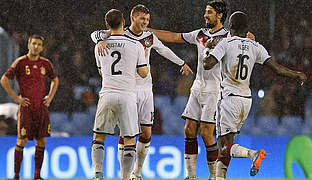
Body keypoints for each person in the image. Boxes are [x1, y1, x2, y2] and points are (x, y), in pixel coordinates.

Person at [148, 0, 251, 179]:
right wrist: (149, 31)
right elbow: (174, 37)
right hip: (197, 88)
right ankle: (191, 175)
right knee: (188, 129)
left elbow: (246, 44)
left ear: (220, 15)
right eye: (206, 11)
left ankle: (213, 176)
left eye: (209, 12)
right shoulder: (199, 34)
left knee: (205, 132)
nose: (205, 15)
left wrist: (248, 37)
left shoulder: (229, 38)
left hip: (215, 91)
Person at [91, 4, 193, 180]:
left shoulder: (149, 37)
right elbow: (96, 34)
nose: (145, 22)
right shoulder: (122, 35)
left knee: (146, 133)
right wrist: (99, 40)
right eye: (142, 19)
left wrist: (180, 62)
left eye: (147, 19)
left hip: (145, 90)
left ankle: (136, 173)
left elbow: (164, 50)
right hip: (129, 89)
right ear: (132, 19)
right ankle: (124, 174)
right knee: (127, 134)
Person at [203, 11, 307, 179]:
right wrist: (297, 74)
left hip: (229, 98)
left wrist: (207, 48)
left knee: (223, 147)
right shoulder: (256, 46)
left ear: (230, 26)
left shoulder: (226, 43)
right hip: (246, 101)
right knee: (228, 146)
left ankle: (253, 154)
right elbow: (277, 69)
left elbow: (207, 65)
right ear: (246, 28)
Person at [91, 9, 149, 180]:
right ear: (124, 22)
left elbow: (101, 72)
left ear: (107, 25)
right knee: (130, 138)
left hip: (107, 94)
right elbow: (144, 73)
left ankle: (98, 174)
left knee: (98, 136)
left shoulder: (99, 46)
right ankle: (125, 177)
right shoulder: (136, 45)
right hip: (127, 96)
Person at [0, 34, 59, 180]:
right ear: (28, 45)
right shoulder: (20, 62)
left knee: (42, 140)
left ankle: (37, 176)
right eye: (34, 43)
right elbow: (4, 79)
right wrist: (16, 98)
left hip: (41, 108)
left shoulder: (45, 63)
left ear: (42, 47)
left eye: (39, 44)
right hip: (26, 108)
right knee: (21, 140)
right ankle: (16, 175)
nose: (36, 46)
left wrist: (50, 97)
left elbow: (55, 79)